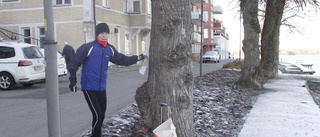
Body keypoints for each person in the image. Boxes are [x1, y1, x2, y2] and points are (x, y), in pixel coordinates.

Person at [68, 22, 145, 137]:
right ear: (97, 35)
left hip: (101, 87)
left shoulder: (110, 49)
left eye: (106, 33)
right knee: (98, 115)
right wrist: (73, 80)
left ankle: (96, 133)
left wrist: (137, 58)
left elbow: (122, 60)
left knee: (101, 116)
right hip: (89, 87)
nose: (104, 35)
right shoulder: (89, 47)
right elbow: (74, 61)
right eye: (101, 33)